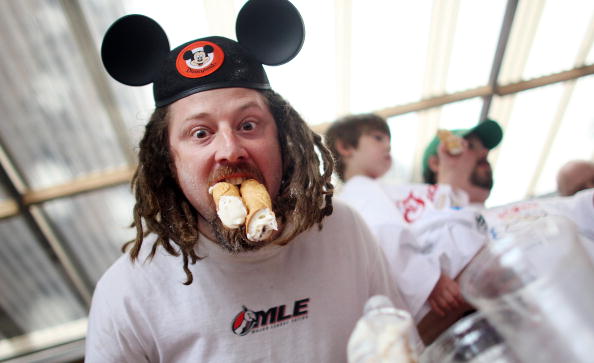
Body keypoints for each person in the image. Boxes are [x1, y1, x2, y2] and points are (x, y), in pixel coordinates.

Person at [85, 2, 413, 362]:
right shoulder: (127, 293)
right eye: (200, 133)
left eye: (247, 125)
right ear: (168, 161)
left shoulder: (342, 229)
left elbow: (401, 343)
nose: (230, 150)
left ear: (282, 141)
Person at [325, 114, 500, 343]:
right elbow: (384, 232)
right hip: (430, 301)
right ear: (346, 147)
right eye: (378, 138)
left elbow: (437, 217)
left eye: (388, 140)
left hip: (443, 297)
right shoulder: (358, 191)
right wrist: (428, 280)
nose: (387, 145)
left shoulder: (388, 191)